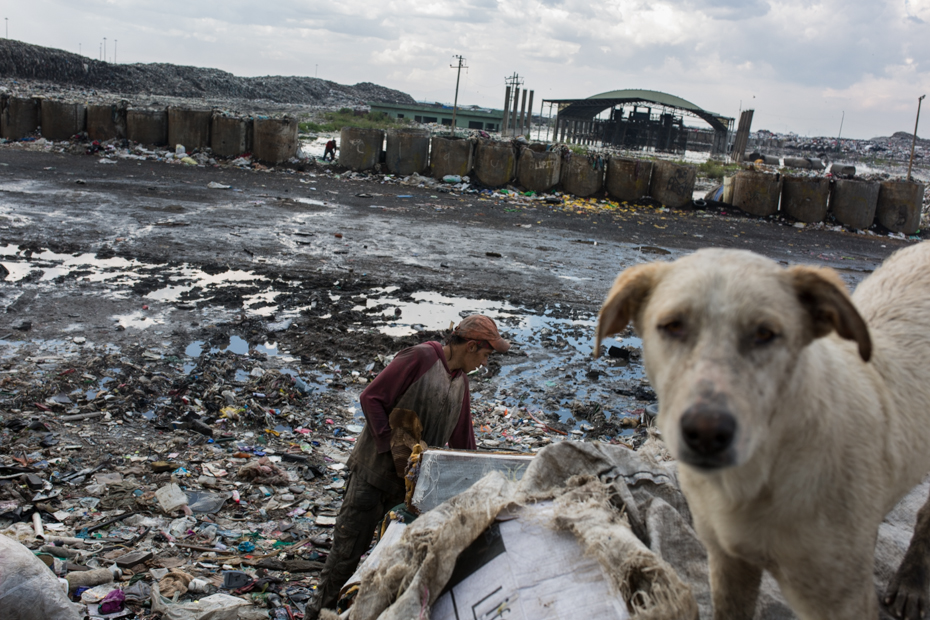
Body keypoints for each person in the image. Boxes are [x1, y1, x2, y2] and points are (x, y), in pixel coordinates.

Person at [309, 315, 510, 617]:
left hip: (409, 493)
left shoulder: (460, 384)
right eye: (485, 354)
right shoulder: (420, 358)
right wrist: (393, 447)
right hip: (373, 479)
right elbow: (371, 398)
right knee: (344, 559)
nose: (485, 362)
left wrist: (480, 483)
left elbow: (463, 443)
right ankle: (315, 614)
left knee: (390, 565)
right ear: (471, 346)